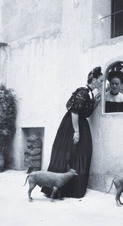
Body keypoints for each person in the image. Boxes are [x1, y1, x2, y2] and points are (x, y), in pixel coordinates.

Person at [41, 67, 103, 198]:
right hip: (72, 125)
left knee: (81, 153)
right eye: (100, 81)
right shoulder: (83, 91)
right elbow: (74, 112)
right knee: (68, 153)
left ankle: (72, 188)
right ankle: (58, 188)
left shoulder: (90, 94)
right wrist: (76, 132)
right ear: (94, 79)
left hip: (81, 123)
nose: (102, 84)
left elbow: (86, 114)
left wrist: (96, 103)